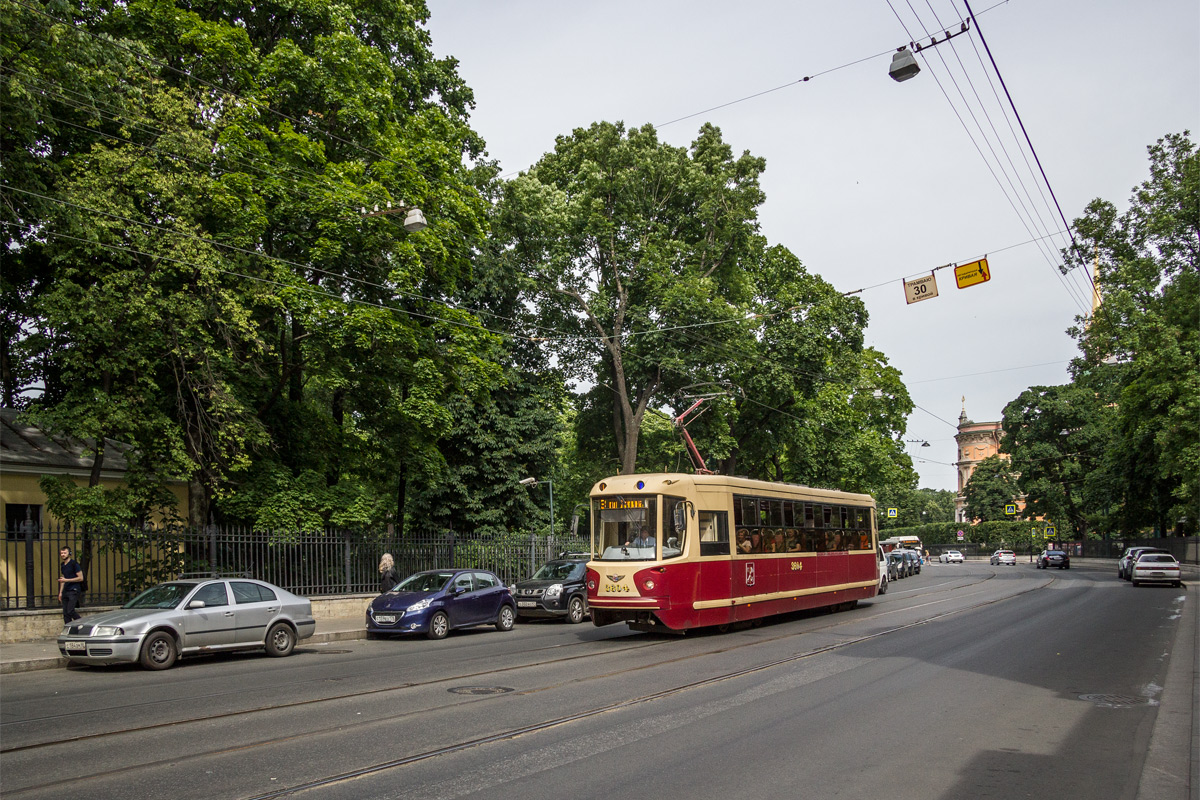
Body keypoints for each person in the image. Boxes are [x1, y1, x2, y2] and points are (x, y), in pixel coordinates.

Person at [58, 546, 85, 624]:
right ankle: (69, 629)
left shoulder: (74, 564)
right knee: (66, 613)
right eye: (61, 553)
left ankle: (82, 624)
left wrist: (67, 580)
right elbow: (63, 579)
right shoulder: (63, 565)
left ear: (69, 553)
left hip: (74, 590)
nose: (63, 555)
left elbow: (80, 578)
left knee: (70, 611)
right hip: (66, 590)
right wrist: (60, 592)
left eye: (65, 553)